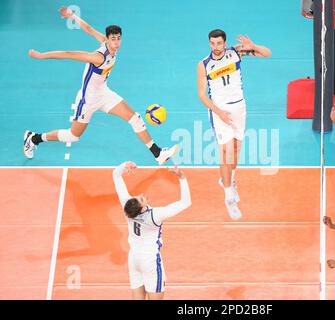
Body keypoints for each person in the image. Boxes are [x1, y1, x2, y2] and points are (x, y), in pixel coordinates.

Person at [24, 7, 178, 165]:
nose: (116, 42)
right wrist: (42, 56)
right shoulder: (98, 57)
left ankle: (158, 154)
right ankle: (34, 138)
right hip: (88, 99)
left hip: (103, 93)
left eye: (119, 38)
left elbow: (89, 29)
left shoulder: (109, 45)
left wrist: (72, 16)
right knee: (73, 136)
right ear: (107, 38)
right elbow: (69, 54)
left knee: (135, 118)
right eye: (113, 39)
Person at [197, 29, 271, 219]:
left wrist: (253, 47)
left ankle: (229, 180)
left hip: (239, 108)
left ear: (224, 42)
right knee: (225, 151)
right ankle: (228, 196)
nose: (216, 47)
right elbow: (202, 95)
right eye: (212, 43)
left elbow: (267, 53)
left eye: (219, 43)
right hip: (220, 111)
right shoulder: (204, 64)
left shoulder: (236, 52)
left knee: (235, 151)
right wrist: (219, 112)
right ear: (209, 44)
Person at [112, 161, 191, 300]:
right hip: (150, 261)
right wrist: (182, 178)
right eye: (141, 198)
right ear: (142, 209)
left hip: (134, 259)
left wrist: (124, 166)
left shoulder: (127, 208)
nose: (142, 194)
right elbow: (185, 203)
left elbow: (116, 175)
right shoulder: (155, 215)